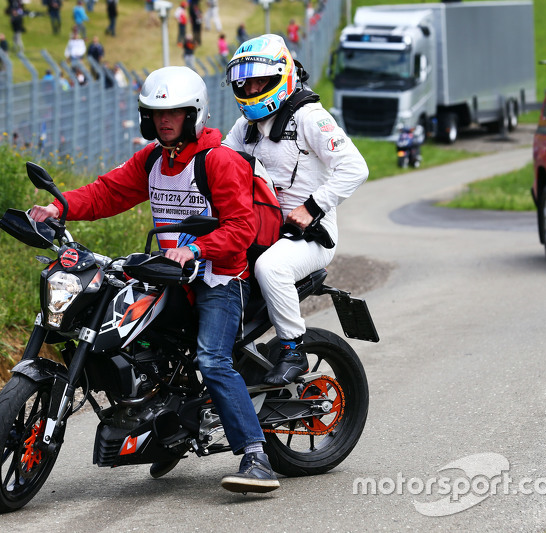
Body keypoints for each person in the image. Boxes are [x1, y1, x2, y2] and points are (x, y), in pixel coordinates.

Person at [30, 66, 280, 494]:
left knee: (211, 359)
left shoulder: (218, 160)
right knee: (134, 337)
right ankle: (168, 430)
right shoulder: (154, 160)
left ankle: (255, 455)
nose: (164, 121)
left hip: (220, 278)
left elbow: (241, 227)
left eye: (175, 113)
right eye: (156, 113)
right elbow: (108, 192)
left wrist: (196, 250)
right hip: (171, 275)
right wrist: (60, 209)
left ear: (193, 114)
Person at [223, 34, 368, 385]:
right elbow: (220, 161)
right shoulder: (246, 127)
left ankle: (293, 351)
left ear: (281, 76)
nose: (252, 87)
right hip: (259, 230)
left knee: (271, 268)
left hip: (308, 236)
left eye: (260, 80)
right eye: (246, 81)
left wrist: (312, 206)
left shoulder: (310, 118)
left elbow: (355, 168)